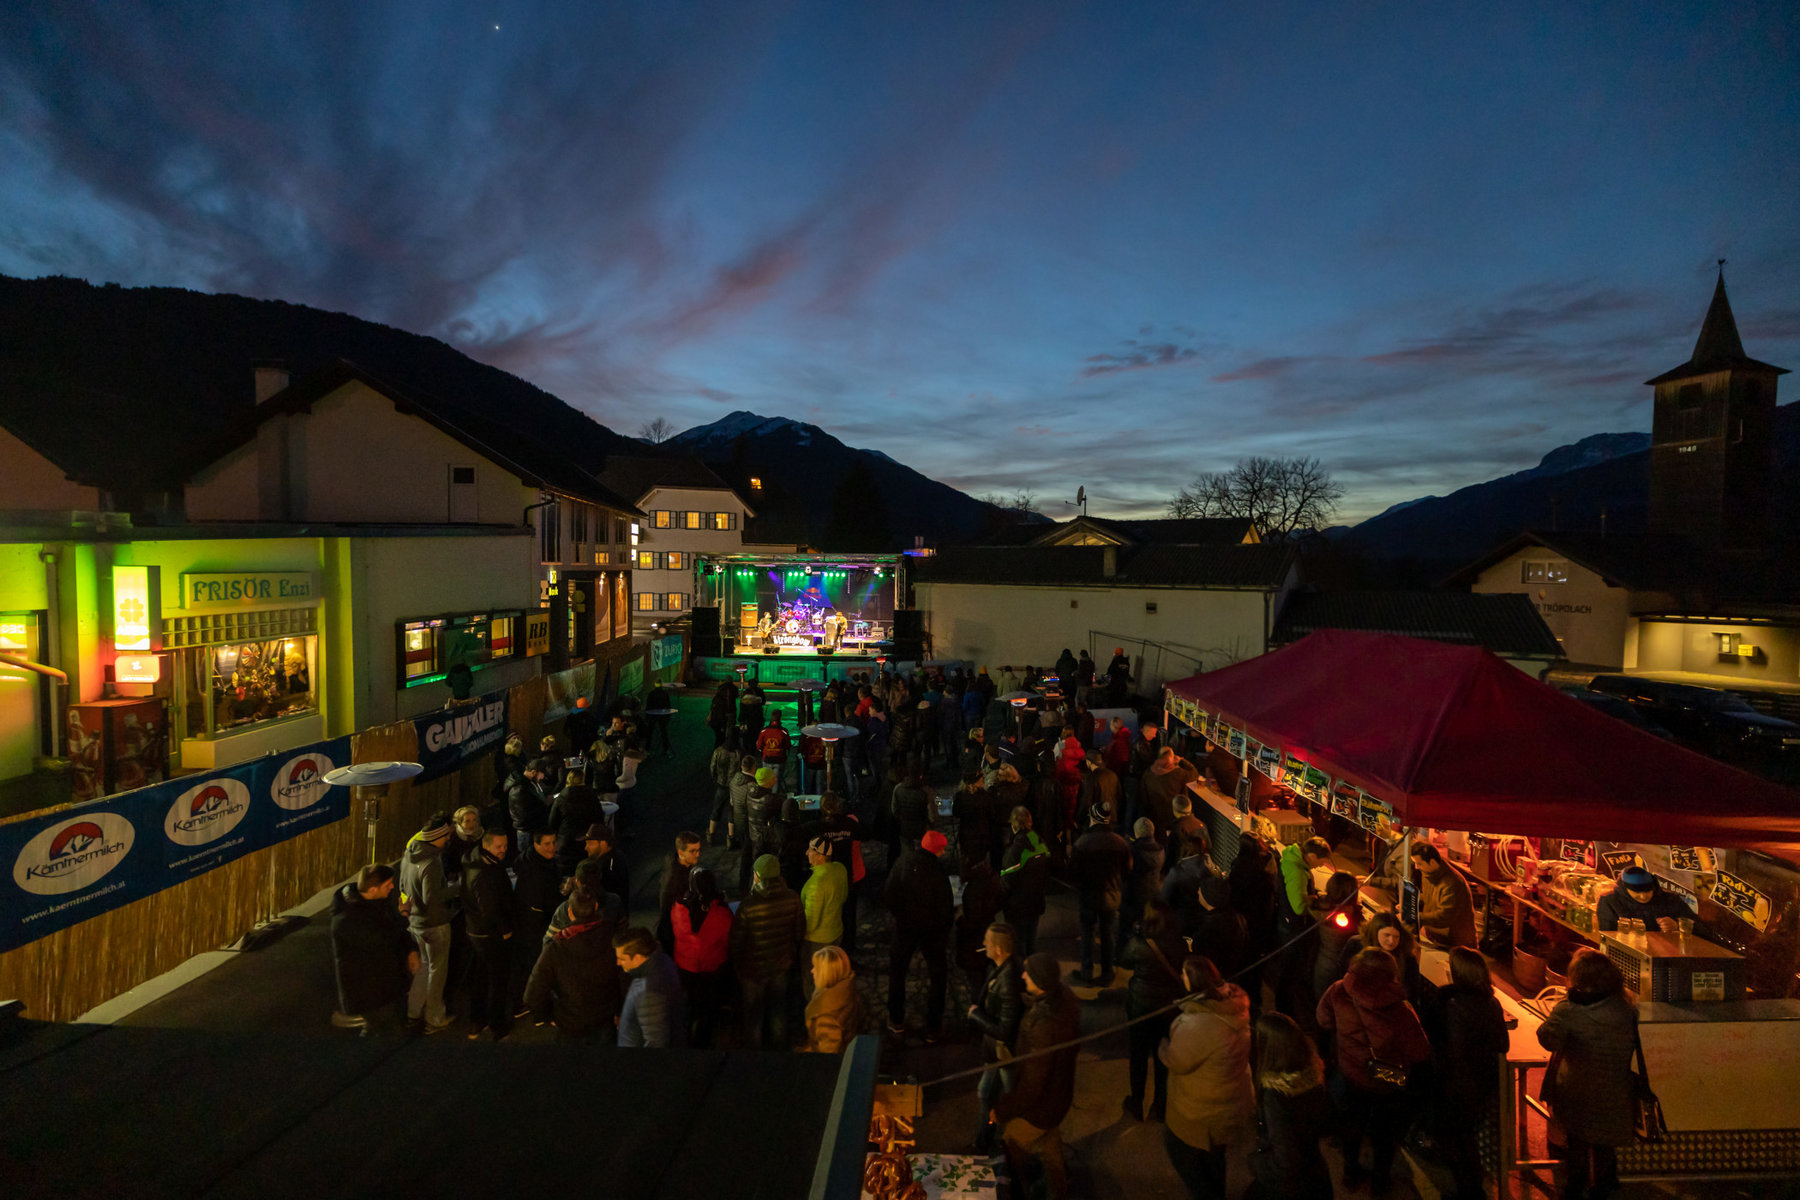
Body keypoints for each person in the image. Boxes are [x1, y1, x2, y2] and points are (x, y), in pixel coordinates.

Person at [1316, 948, 1432, 1192]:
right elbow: (1419, 1052)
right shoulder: (1401, 1009)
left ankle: (1350, 1170)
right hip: (1387, 1080)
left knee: (1352, 1123)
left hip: (1351, 1072)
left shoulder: (1338, 990)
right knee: (1385, 1131)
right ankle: (1380, 1180)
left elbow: (1323, 1020)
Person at [1537, 949, 1638, 1200]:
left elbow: (1547, 1039)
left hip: (1577, 1093)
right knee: (1604, 1148)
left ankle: (1574, 1189)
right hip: (1615, 1092)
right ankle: (1603, 1190)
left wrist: (1560, 1007)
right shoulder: (1625, 1009)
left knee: (1577, 1145)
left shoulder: (1570, 1011)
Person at [1160, 956, 1254, 1200]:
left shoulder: (1199, 1025)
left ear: (1193, 982)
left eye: (1184, 974)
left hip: (1202, 1111)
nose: (1181, 976)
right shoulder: (1233, 1006)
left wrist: (1162, 1047)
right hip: (1230, 1103)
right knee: (1215, 1157)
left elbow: (1177, 1060)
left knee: (1180, 1154)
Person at [1420, 947, 1510, 1200]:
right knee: (1467, 1137)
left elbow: (1453, 1049)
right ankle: (1473, 1189)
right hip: (1482, 1083)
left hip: (1457, 1085)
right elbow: (1503, 1045)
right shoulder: (1491, 1003)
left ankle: (1468, 1191)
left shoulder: (1452, 1005)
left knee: (1456, 1140)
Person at [995, 952, 1082, 1200]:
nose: (1023, 975)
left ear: (1041, 983)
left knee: (1012, 1141)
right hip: (1059, 1094)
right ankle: (1059, 1188)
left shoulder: (1043, 1026)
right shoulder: (1064, 999)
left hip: (1043, 1102)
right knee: (1048, 1141)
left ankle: (1021, 1191)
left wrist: (1003, 1110)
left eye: (1028, 973)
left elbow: (1033, 1084)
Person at [1242, 1013, 1335, 1200]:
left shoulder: (1276, 1097)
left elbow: (1286, 1162)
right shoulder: (1312, 1076)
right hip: (1316, 1176)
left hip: (1291, 1189)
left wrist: (1256, 1163)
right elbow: (1326, 1125)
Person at [523, 886, 625, 1040]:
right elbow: (624, 977)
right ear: (596, 907)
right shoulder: (613, 937)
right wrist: (619, 1010)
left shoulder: (555, 949)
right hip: (605, 1016)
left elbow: (532, 995)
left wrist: (550, 1014)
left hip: (570, 1021)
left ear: (570, 912)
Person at [1119, 899, 1189, 1122]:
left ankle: (1136, 1102)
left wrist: (1135, 935)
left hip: (1140, 1006)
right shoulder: (1178, 943)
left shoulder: (1140, 943)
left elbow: (1124, 962)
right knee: (1162, 1057)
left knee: (1138, 1056)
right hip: (1168, 1008)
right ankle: (1159, 1106)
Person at [329, 864, 418, 1033]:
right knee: (381, 1029)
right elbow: (385, 940)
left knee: (388, 1027)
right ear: (372, 890)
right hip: (370, 991)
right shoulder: (348, 919)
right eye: (388, 884)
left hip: (386, 984)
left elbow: (395, 933)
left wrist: (410, 951)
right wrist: (404, 915)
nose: (392, 887)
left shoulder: (377, 903)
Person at [883, 829, 955, 1039]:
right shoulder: (937, 871)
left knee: (897, 972)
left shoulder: (903, 862)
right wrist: (943, 930)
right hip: (930, 932)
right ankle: (933, 1026)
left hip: (905, 927)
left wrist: (900, 916)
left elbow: (889, 893)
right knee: (938, 975)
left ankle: (896, 1019)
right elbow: (945, 906)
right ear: (936, 850)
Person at [732, 853, 806, 1049]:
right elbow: (799, 933)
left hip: (753, 971)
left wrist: (738, 966)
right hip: (781, 967)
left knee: (753, 1015)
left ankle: (755, 1056)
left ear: (757, 875)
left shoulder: (748, 905)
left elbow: (737, 942)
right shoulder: (792, 898)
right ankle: (779, 1052)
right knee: (778, 1011)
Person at [966, 923, 1024, 1151]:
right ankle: (983, 1142)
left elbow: (1004, 1030)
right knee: (985, 1092)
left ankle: (1016, 1145)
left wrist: (975, 1015)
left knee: (1013, 1100)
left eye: (987, 943)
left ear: (998, 950)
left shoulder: (1007, 982)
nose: (983, 946)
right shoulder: (1002, 969)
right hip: (996, 1052)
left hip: (1005, 1054)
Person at [398, 814, 457, 1034]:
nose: (449, 838)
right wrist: (459, 886)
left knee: (421, 971)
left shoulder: (409, 855)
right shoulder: (432, 862)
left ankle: (413, 1014)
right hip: (435, 923)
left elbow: (403, 887)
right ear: (438, 837)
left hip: (415, 923)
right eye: (446, 835)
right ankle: (434, 1017)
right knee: (437, 971)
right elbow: (433, 897)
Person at [1070, 801, 1132, 985]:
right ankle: (1107, 972)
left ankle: (1086, 971)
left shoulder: (1082, 843)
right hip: (1112, 896)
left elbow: (1074, 872)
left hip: (1088, 896)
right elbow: (1127, 870)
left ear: (1093, 818)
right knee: (1107, 934)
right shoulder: (1120, 843)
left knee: (1087, 933)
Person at [671, 867, 734, 1046]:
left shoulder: (679, 908)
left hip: (685, 968)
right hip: (711, 970)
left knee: (690, 1005)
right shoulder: (721, 913)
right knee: (706, 1009)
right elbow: (727, 939)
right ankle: (702, 1043)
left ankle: (687, 1036)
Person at [510, 827, 562, 1014]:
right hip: (534, 924)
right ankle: (534, 1006)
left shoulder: (534, 861)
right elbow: (542, 900)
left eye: (553, 842)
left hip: (533, 921)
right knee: (535, 965)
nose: (552, 848)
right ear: (536, 844)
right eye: (547, 844)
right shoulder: (535, 870)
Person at [614, 926, 685, 1048]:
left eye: (622, 959)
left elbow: (656, 1043)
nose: (618, 963)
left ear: (638, 957)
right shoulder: (661, 959)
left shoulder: (649, 993)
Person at [1597, 866, 1711, 937]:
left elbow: (1702, 930)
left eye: (1647, 891)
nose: (1643, 896)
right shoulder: (1610, 902)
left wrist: (1677, 925)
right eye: (1637, 892)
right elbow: (1606, 936)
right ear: (1625, 889)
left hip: (1667, 956)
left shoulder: (1670, 900)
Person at [1000, 806, 1052, 955]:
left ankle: (1020, 972)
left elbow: (1006, 881)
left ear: (1014, 825)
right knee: (1031, 940)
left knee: (1017, 943)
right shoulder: (1040, 842)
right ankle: (1031, 969)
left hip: (1017, 906)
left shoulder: (1015, 849)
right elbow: (1047, 872)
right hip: (1036, 901)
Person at [1358, 912, 1431, 1011]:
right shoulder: (1357, 946)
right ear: (1376, 933)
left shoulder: (1407, 958)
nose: (1391, 941)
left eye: (1396, 937)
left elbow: (1412, 991)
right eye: (1387, 935)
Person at [1409, 843, 1477, 949]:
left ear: (1432, 862)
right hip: (1434, 936)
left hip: (1455, 943)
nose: (1417, 867)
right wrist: (1410, 902)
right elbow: (1428, 896)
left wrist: (1413, 916)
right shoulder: (1428, 872)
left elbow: (1444, 916)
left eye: (1419, 863)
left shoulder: (1453, 883)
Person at [803, 944, 866, 1052]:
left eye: (816, 968)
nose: (812, 971)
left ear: (827, 974)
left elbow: (828, 1053)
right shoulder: (847, 987)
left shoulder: (825, 1015)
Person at [801, 836, 849, 975]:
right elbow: (844, 897)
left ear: (820, 856)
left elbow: (811, 923)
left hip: (817, 942)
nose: (806, 853)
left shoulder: (815, 885)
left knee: (815, 979)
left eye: (810, 850)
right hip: (837, 932)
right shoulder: (840, 869)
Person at [1140, 747, 1200, 845]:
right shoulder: (1177, 774)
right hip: (1173, 816)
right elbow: (1194, 774)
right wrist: (1181, 761)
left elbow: (1144, 796)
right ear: (1169, 758)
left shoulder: (1148, 773)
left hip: (1155, 816)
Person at [656, 830, 703, 955]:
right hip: (674, 935)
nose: (697, 854)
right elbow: (666, 911)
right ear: (681, 852)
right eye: (693, 851)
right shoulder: (673, 879)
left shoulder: (685, 866)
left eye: (698, 850)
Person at [578, 822, 630, 907]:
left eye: (590, 843)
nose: (586, 847)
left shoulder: (610, 865)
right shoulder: (616, 856)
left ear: (603, 843)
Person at [706, 738, 739, 846]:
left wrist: (715, 779)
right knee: (732, 812)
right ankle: (731, 838)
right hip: (733, 786)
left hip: (721, 785)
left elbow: (712, 767)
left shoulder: (718, 751)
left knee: (716, 810)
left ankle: (711, 835)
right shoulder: (739, 752)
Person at [644, 682, 673, 756]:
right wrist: (667, 716)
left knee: (650, 733)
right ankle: (665, 749)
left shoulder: (651, 693)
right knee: (663, 732)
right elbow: (668, 705)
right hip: (662, 715)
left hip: (653, 715)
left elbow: (648, 705)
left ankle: (647, 749)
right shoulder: (664, 694)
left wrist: (647, 716)